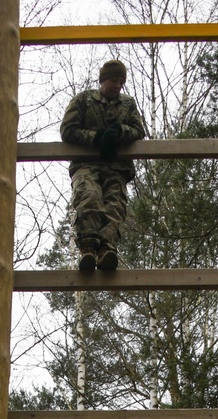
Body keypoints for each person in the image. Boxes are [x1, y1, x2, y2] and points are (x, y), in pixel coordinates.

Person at [60, 59, 147, 273]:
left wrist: (119, 131)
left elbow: (138, 131)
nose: (117, 85)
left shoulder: (128, 104)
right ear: (103, 80)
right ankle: (88, 249)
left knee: (114, 207)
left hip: (116, 167)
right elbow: (67, 130)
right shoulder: (83, 100)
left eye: (121, 81)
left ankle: (107, 250)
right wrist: (96, 138)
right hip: (86, 165)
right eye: (113, 80)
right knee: (89, 199)